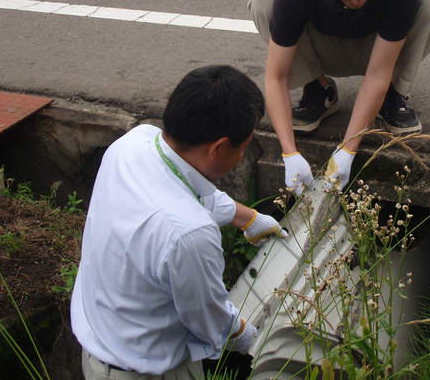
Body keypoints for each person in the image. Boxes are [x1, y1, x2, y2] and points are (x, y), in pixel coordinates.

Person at [71, 65, 287, 379]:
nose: (242, 156)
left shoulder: (133, 144)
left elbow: (187, 191)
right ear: (217, 148)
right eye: (242, 148)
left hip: (97, 342)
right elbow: (211, 320)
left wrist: (248, 218)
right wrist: (256, 337)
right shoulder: (190, 235)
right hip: (142, 370)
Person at [248, 0, 430, 194]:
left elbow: (377, 72)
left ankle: (391, 96)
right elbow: (276, 78)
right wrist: (289, 153)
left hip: (381, 53)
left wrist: (347, 151)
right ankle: (319, 88)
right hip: (324, 50)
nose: (358, 1)